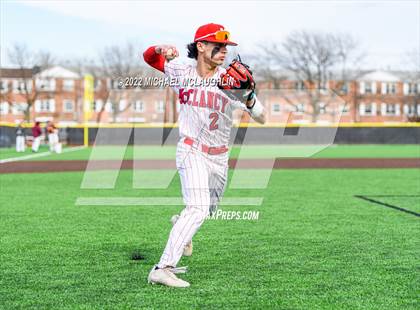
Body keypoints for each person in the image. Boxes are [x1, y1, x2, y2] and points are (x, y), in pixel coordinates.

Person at [143, 23, 266, 288]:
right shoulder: (180, 70)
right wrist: (159, 48)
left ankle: (182, 227)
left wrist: (248, 98)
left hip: (220, 157)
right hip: (191, 150)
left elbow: (263, 118)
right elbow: (149, 58)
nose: (224, 52)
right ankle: (162, 268)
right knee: (197, 209)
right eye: (217, 46)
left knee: (205, 210)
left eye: (226, 48)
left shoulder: (229, 82)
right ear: (200, 46)